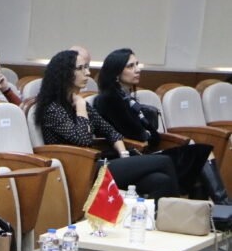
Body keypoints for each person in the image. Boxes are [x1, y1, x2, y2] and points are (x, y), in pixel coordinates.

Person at [34, 49, 178, 200]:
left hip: (95, 164)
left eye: (87, 67)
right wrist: (81, 107)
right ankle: (180, 217)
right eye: (81, 68)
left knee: (161, 180)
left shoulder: (74, 101)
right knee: (165, 161)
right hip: (78, 170)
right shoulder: (53, 108)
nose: (88, 73)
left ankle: (160, 220)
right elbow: (82, 139)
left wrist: (124, 155)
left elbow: (110, 132)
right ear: (64, 73)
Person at [93, 48, 227, 205]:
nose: (137, 69)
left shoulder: (127, 99)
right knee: (200, 153)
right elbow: (137, 136)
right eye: (130, 66)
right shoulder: (109, 99)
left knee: (198, 156)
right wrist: (147, 129)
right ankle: (221, 207)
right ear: (116, 73)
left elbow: (152, 136)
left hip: (145, 153)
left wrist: (147, 130)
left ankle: (210, 212)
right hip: (128, 156)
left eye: (137, 64)